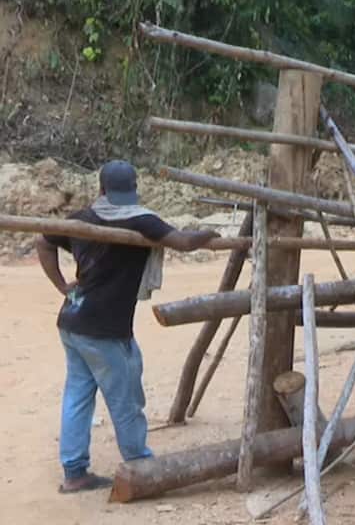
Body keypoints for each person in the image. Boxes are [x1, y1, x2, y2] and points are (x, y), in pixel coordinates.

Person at [35, 160, 218, 493]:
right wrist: (210, 234)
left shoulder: (81, 219)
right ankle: (140, 464)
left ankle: (74, 471)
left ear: (101, 189)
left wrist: (62, 286)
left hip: (73, 321)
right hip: (102, 329)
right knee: (125, 400)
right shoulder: (140, 218)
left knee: (78, 395)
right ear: (133, 190)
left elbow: (43, 242)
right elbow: (184, 242)